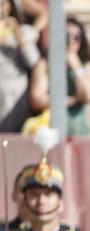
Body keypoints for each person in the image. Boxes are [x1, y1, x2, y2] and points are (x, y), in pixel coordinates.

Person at [27, 15, 90, 136]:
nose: (70, 41)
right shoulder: (45, 64)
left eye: (76, 37)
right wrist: (72, 100)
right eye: (66, 36)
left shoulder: (87, 65)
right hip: (50, 131)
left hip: (78, 132)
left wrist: (75, 65)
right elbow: (37, 99)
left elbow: (88, 95)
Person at [0, 0, 40, 133]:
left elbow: (33, 61)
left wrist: (17, 34)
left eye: (2, 3)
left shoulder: (24, 31)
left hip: (13, 93)